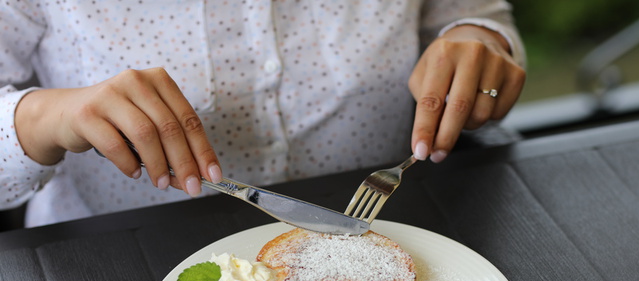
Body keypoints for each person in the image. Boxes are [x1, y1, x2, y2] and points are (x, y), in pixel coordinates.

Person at [0, 1, 525, 227]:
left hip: (394, 233)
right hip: (121, 274)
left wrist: (478, 41)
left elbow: (473, 16)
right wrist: (43, 115)